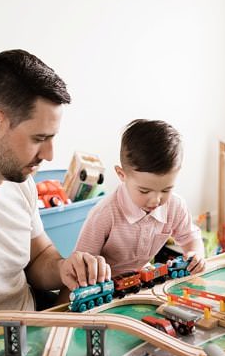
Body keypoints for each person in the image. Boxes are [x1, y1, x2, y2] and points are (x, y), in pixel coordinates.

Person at [0, 48, 112, 320]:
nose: (49, 155)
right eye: (39, 138)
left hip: (32, 334)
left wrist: (63, 268)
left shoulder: (18, 176)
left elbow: (38, 258)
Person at [73, 118, 204, 277]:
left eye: (166, 190)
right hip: (104, 283)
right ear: (122, 175)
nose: (156, 200)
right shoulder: (104, 214)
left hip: (141, 279)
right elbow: (81, 262)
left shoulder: (175, 206)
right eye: (144, 191)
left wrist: (195, 254)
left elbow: (190, 237)